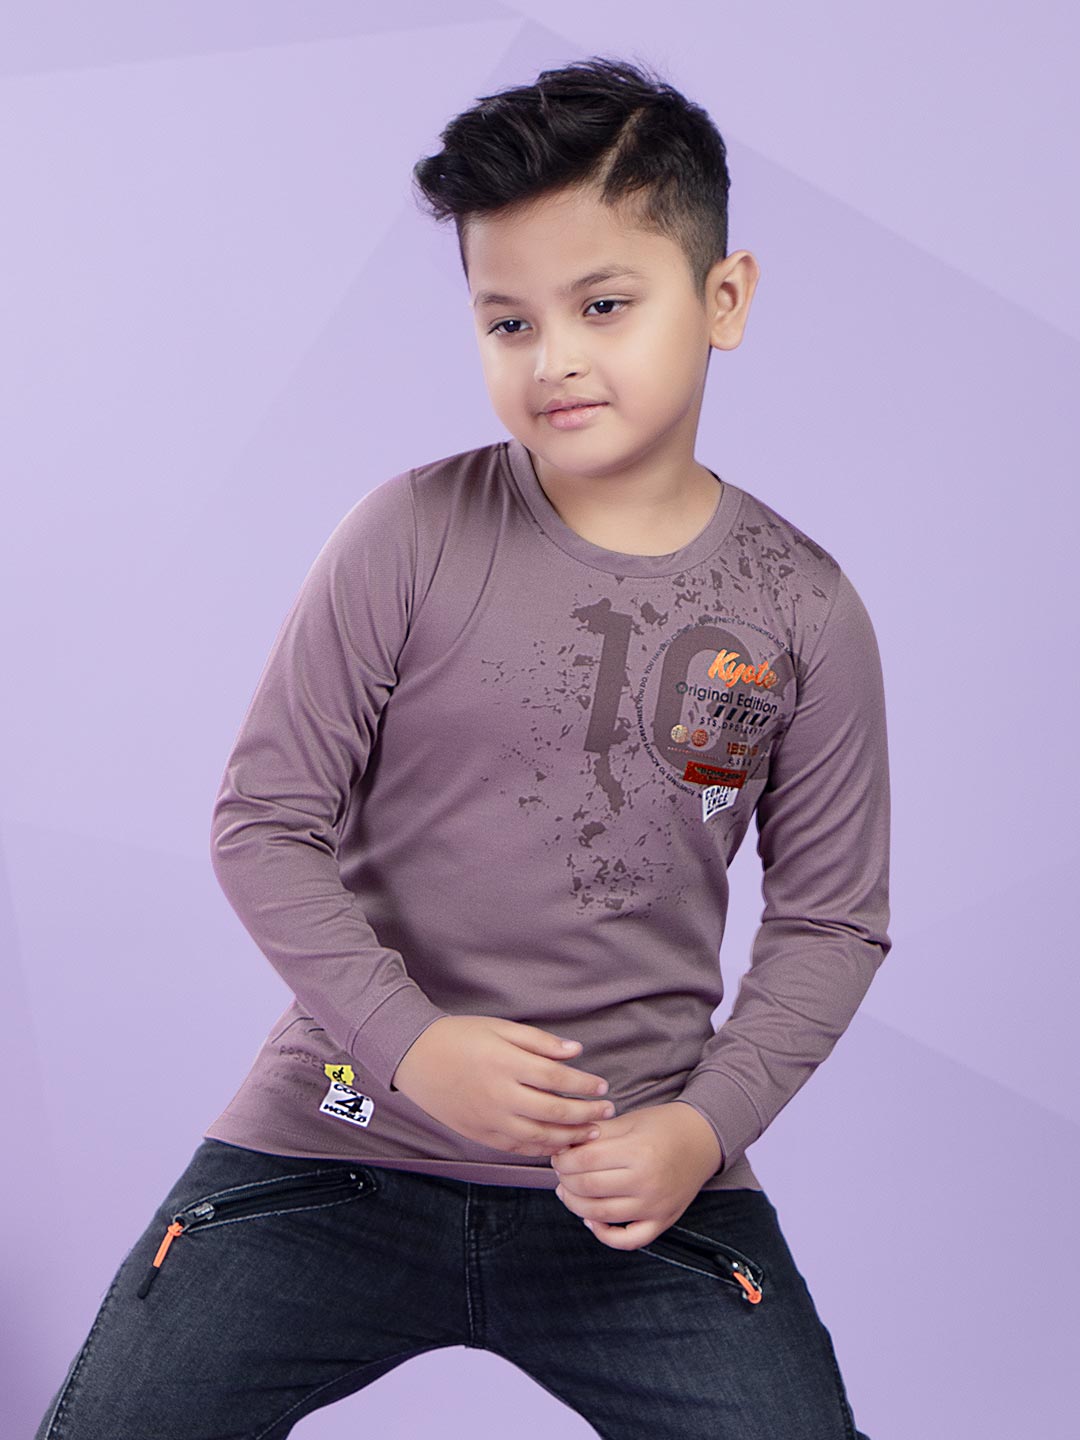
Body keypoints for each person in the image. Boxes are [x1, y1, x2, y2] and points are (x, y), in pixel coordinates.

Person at [34, 55, 890, 1440]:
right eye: (507, 320)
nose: (554, 359)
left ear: (723, 299)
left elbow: (832, 920)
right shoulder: (410, 537)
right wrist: (411, 1047)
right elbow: (263, 821)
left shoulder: (804, 609)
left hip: (635, 1183)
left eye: (603, 305)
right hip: (333, 1142)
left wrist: (702, 1129)